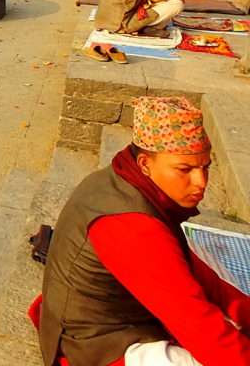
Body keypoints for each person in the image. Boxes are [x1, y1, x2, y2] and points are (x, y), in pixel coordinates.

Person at [37, 96, 250, 366]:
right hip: (93, 345)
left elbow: (192, 271)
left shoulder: (122, 177)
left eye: (205, 167)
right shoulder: (133, 227)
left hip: (116, 318)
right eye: (184, 169)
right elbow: (199, 327)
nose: (201, 183)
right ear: (145, 165)